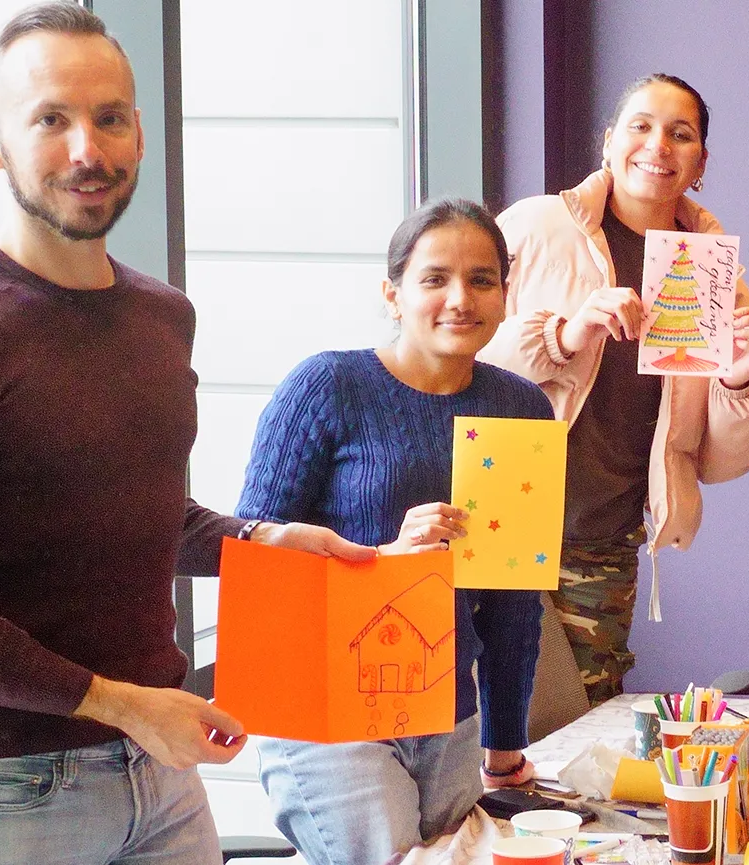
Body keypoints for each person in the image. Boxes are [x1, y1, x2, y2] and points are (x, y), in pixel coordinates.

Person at [0, 4, 375, 863]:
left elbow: (137, 514)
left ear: (138, 132)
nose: (87, 149)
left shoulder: (163, 317)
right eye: (50, 119)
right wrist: (126, 703)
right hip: (4, 793)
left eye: (110, 117)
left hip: (160, 773)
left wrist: (264, 540)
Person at [235, 199, 550, 863]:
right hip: (325, 709)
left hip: (446, 714)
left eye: (482, 279)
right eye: (434, 278)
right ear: (393, 294)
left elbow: (513, 598)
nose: (460, 299)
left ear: (504, 293)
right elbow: (250, 562)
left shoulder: (522, 408)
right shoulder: (327, 386)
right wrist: (385, 558)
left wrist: (506, 742)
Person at [482, 73, 749, 704]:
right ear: (608, 142)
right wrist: (564, 334)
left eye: (681, 134)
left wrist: (740, 380)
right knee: (487, 716)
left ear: (701, 163)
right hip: (496, 512)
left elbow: (721, 460)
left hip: (603, 536)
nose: (658, 145)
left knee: (581, 713)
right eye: (641, 126)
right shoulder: (533, 227)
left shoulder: (709, 269)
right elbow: (464, 362)